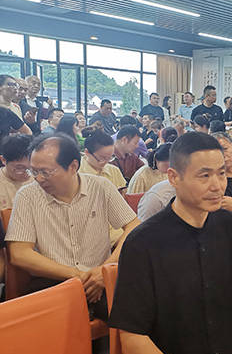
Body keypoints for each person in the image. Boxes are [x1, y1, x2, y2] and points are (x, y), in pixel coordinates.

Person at [109, 132, 232, 354]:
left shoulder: (225, 224)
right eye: (204, 175)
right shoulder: (143, 243)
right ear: (174, 177)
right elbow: (132, 339)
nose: (217, 186)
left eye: (221, 173)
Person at [5, 134, 139, 320]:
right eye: (34, 171)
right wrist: (79, 276)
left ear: (73, 166)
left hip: (100, 277)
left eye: (46, 172)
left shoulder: (101, 187)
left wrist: (105, 270)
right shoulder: (27, 196)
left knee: (137, 313)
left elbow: (134, 227)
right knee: (51, 323)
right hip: (53, 280)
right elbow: (19, 253)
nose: (38, 178)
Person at [0, 134, 33, 210]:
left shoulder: (38, 180)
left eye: (30, 168)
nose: (27, 174)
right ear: (3, 160)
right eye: (19, 168)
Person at [0, 75, 32, 144]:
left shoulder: (16, 107)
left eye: (16, 85)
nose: (15, 88)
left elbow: (25, 131)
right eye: (11, 84)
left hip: (10, 145)